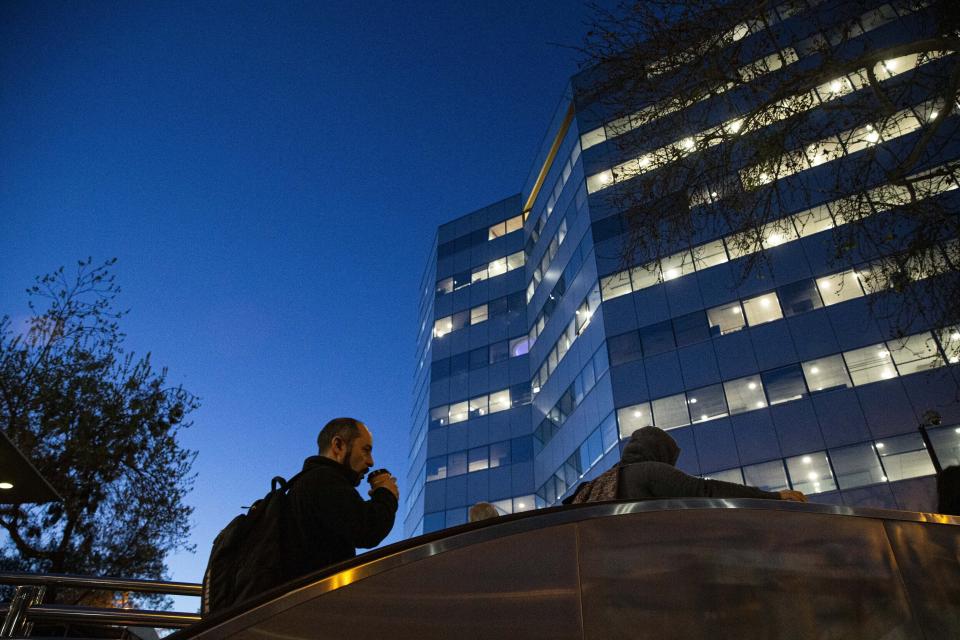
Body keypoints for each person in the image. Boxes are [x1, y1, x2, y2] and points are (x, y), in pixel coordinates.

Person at [281, 417, 399, 583]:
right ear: (338, 445)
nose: (371, 462)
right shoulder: (323, 480)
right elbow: (368, 529)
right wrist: (386, 494)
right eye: (366, 450)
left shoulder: (308, 482)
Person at [563, 426, 807, 504]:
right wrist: (773, 497)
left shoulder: (598, 483)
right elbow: (706, 492)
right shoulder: (650, 472)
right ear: (660, 452)